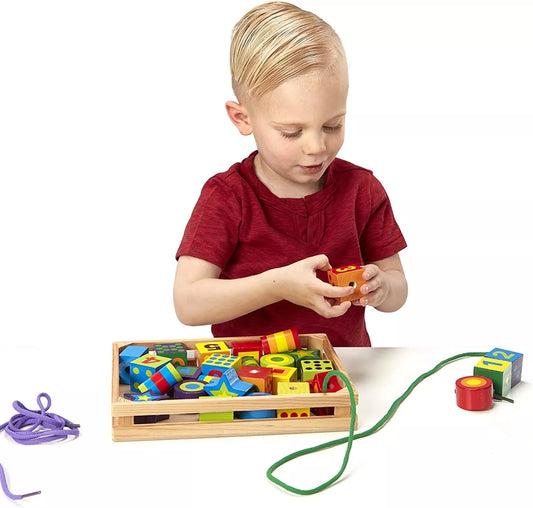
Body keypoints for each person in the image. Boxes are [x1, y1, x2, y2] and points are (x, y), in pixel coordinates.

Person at [173, 1, 407, 347]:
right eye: (291, 132)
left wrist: (382, 287)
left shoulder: (362, 190)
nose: (316, 147)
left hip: (342, 371)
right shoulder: (226, 196)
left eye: (332, 125)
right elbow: (188, 304)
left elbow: (398, 288)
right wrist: (278, 285)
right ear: (243, 119)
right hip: (250, 372)